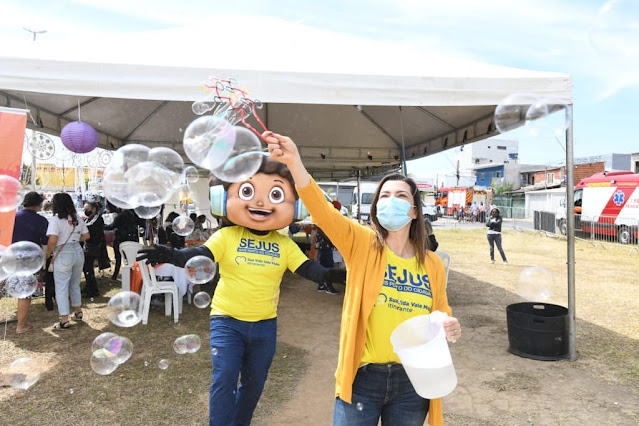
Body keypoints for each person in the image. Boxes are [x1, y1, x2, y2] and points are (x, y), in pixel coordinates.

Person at [265, 132, 461, 426]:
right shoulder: (361, 243)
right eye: (384, 196)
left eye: (401, 196)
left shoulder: (431, 263)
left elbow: (440, 312)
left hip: (413, 380)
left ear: (414, 211)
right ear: (376, 207)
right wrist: (294, 162)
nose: (391, 201)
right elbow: (320, 209)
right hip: (363, 377)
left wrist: (449, 326)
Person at [138, 157, 344, 426]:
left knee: (254, 383)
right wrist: (172, 254)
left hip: (264, 325)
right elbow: (200, 254)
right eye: (248, 191)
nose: (260, 202)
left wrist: (332, 275)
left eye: (274, 194)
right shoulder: (227, 236)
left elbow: (308, 269)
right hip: (227, 321)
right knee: (224, 380)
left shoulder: (283, 244)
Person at [46, 193, 90, 330]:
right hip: (77, 251)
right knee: (75, 284)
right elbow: (87, 235)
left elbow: (53, 239)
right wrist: (74, 241)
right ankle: (78, 310)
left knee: (61, 287)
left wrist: (48, 253)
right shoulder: (77, 218)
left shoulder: (55, 220)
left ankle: (64, 319)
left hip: (63, 253)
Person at [11, 192, 49, 334]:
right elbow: (45, 241)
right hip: (31, 259)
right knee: (25, 292)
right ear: (38, 205)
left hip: (11, 256)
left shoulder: (14, 216)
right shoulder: (41, 221)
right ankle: (21, 325)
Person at [105, 208, 142, 280]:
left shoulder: (120, 216)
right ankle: (132, 275)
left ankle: (115, 275)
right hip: (132, 239)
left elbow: (111, 226)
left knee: (118, 258)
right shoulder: (134, 215)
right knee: (130, 259)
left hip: (120, 239)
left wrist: (103, 225)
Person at [82, 201, 104, 297]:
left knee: (88, 268)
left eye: (87, 208)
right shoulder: (88, 219)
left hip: (93, 247)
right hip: (88, 246)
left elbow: (90, 228)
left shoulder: (97, 218)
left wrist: (80, 226)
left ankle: (93, 290)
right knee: (86, 268)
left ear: (94, 209)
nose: (86, 211)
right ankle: (88, 287)